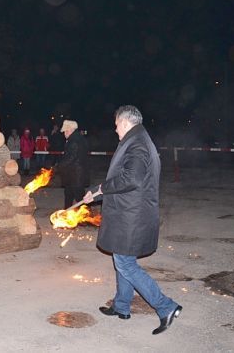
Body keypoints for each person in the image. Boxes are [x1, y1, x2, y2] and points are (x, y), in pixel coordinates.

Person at [83, 105, 181, 335]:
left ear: (125, 122)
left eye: (116, 125)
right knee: (122, 259)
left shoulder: (137, 144)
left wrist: (102, 189)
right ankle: (122, 306)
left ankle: (166, 307)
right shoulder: (138, 140)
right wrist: (97, 191)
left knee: (125, 263)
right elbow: (126, 178)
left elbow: (131, 179)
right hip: (130, 213)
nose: (115, 129)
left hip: (131, 216)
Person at [58, 120, 90, 208]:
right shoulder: (78, 138)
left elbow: (71, 158)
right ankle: (67, 213)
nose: (64, 133)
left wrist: (59, 166)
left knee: (80, 199)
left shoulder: (74, 141)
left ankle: (86, 216)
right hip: (73, 175)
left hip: (75, 175)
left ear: (69, 130)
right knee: (69, 195)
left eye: (65, 131)